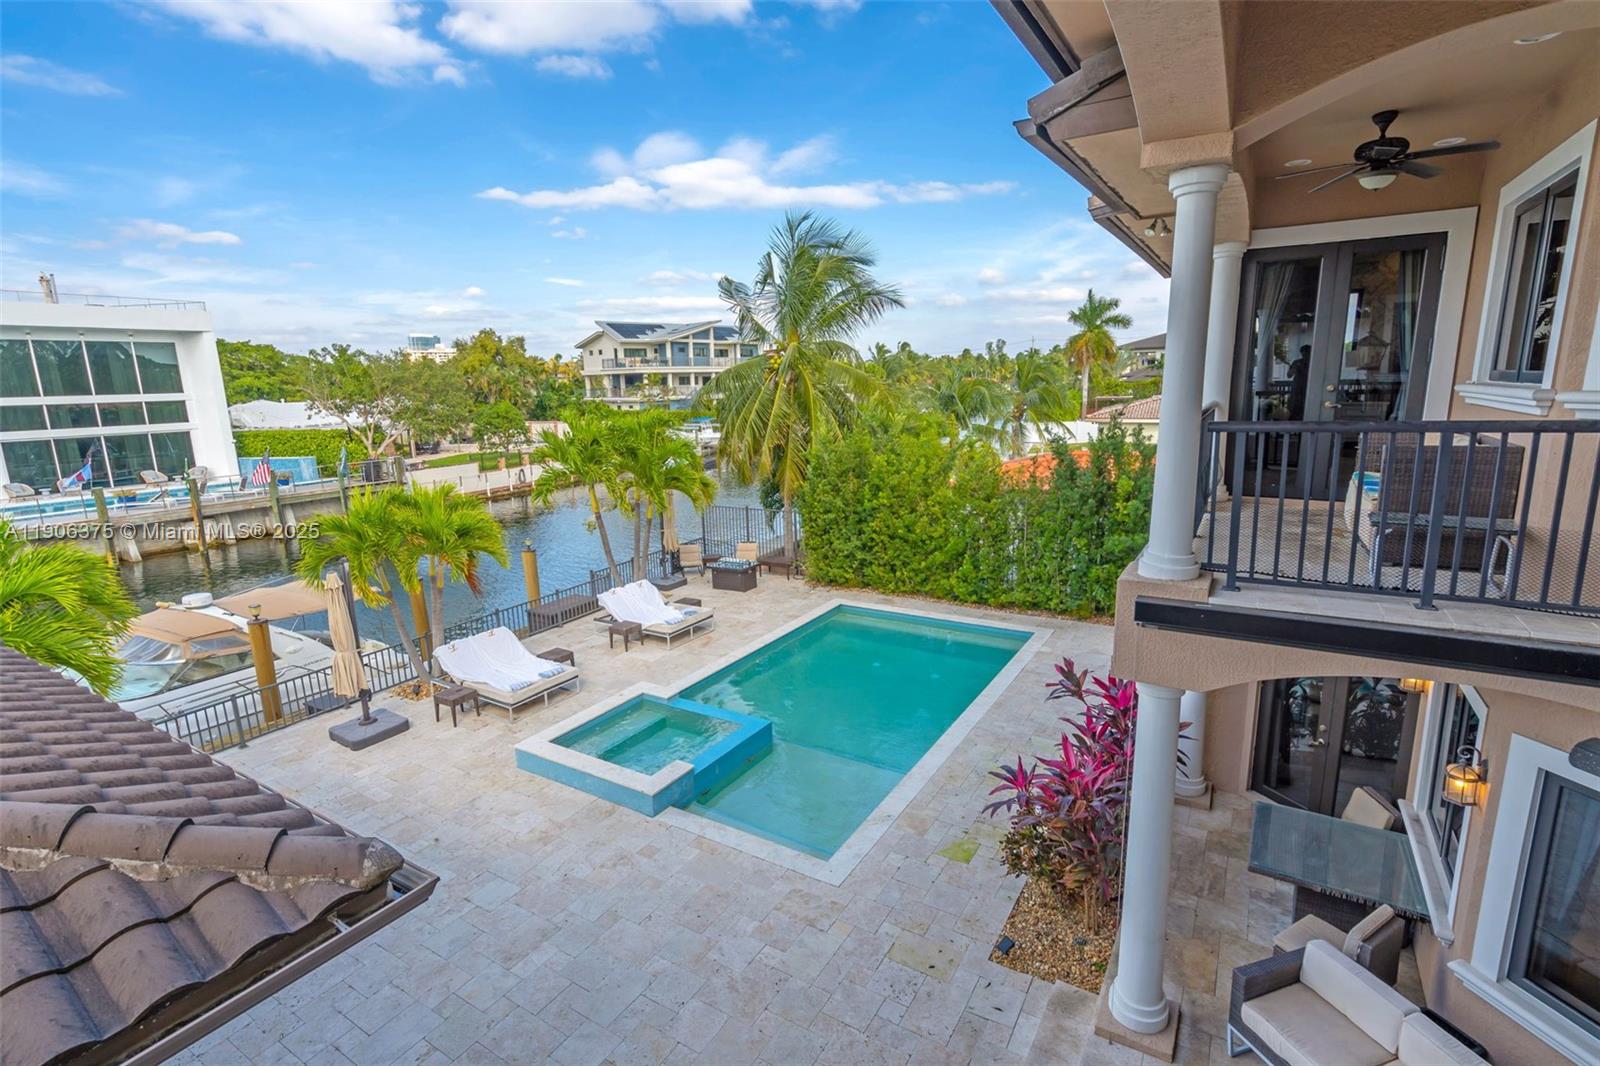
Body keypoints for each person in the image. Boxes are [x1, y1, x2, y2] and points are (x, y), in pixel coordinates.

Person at [1288, 345, 1311, 420]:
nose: (1305, 354)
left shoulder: (1313, 363)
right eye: (1303, 353)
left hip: (1308, 388)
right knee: (1294, 407)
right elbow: (1289, 375)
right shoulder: (1296, 362)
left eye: (1307, 352)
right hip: (1297, 388)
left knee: (1306, 407)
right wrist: (1294, 368)